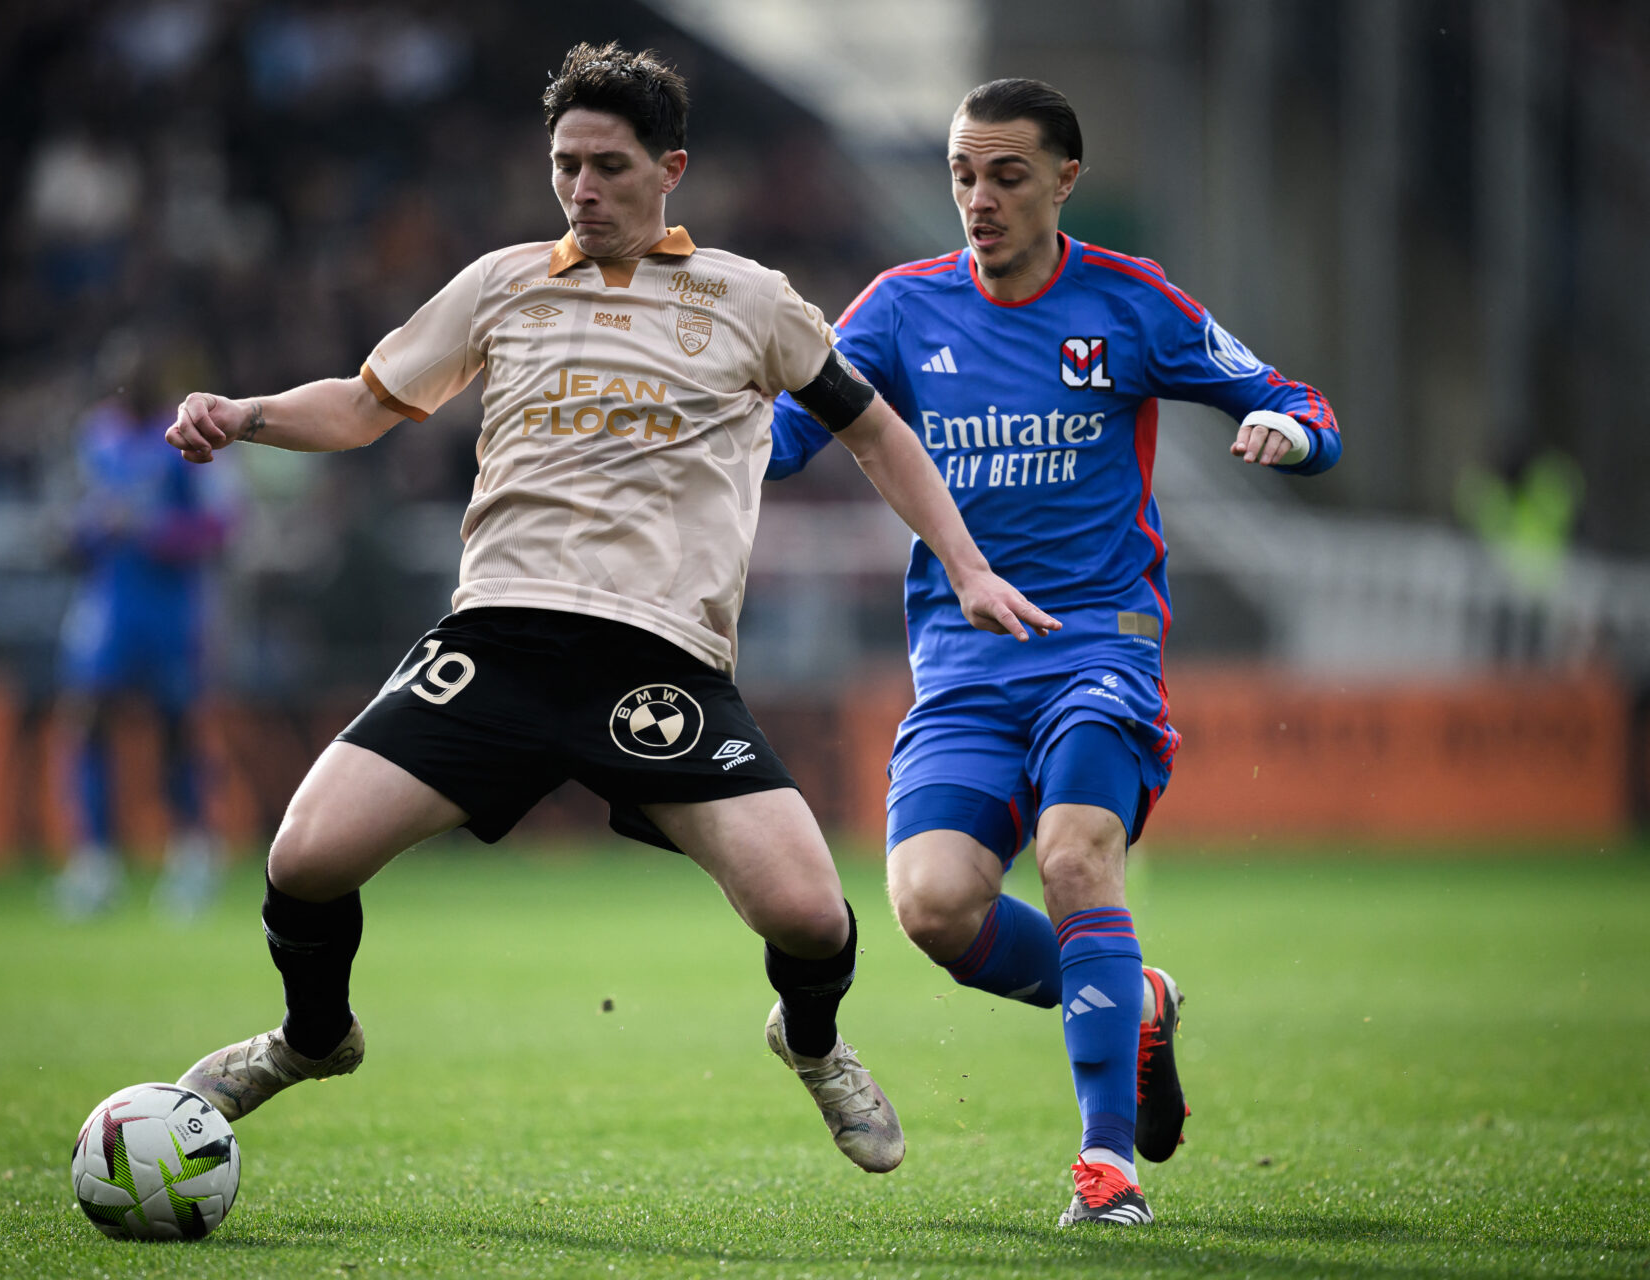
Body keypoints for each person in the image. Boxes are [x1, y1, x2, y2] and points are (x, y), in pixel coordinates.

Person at [160, 43, 1058, 1174]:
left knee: (812, 916)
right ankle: (311, 1035)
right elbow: (360, 404)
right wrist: (243, 413)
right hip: (495, 635)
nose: (581, 189)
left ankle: (814, 1041)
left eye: (607, 166)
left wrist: (968, 567)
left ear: (669, 168)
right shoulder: (502, 281)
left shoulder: (750, 300)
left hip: (660, 661)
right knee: (303, 855)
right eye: (564, 165)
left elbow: (876, 429)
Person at [767, 78, 1342, 1225]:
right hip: (963, 665)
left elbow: (1297, 400)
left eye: (1007, 176)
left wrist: (1289, 430)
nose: (978, 199)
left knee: (1079, 860)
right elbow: (778, 441)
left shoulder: (1131, 303)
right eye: (962, 176)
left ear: (1066, 179)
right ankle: (1135, 999)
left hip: (1100, 645)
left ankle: (1106, 1165)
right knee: (931, 905)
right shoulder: (895, 309)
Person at [53, 357, 237, 920]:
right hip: (109, 609)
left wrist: (157, 533)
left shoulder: (184, 435)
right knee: (88, 722)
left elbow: (222, 525)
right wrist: (83, 531)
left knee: (177, 731)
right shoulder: (95, 437)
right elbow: (75, 520)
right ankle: (95, 861)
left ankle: (192, 854)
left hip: (171, 611)